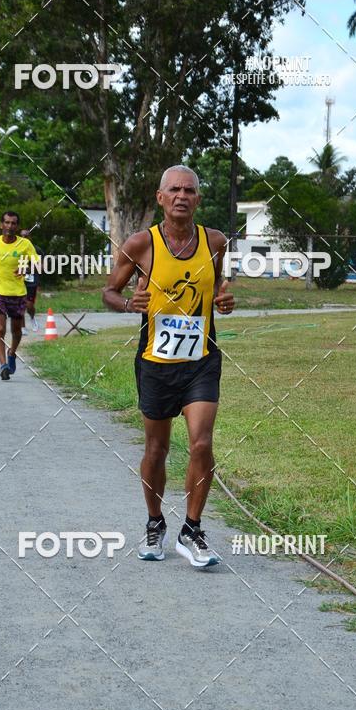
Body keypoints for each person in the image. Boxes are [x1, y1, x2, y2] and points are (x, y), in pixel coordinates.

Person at [103, 165, 234, 569]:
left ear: (198, 199)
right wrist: (129, 304)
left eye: (189, 190)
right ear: (160, 198)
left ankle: (192, 530)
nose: (182, 195)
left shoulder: (215, 242)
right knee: (156, 449)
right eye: (174, 189)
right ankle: (155, 522)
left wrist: (223, 302)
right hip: (156, 363)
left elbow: (219, 288)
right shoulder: (142, 244)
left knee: (201, 442)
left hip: (201, 361)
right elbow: (108, 291)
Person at [0, 211, 40, 380]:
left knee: (16, 332)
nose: (10, 226)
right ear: (1, 225)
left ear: (17, 226)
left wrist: (27, 269)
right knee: (0, 329)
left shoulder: (25, 244)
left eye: (13, 223)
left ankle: (12, 352)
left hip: (17, 294)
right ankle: (3, 365)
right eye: (7, 223)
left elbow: (38, 265)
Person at [20, 229, 41, 334]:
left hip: (31, 280)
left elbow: (40, 267)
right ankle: (22, 327)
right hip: (18, 280)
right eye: (22, 236)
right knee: (20, 304)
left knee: (29, 305)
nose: (24, 238)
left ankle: (32, 318)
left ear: (30, 237)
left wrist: (28, 269)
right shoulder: (16, 249)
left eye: (26, 236)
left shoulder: (36, 250)